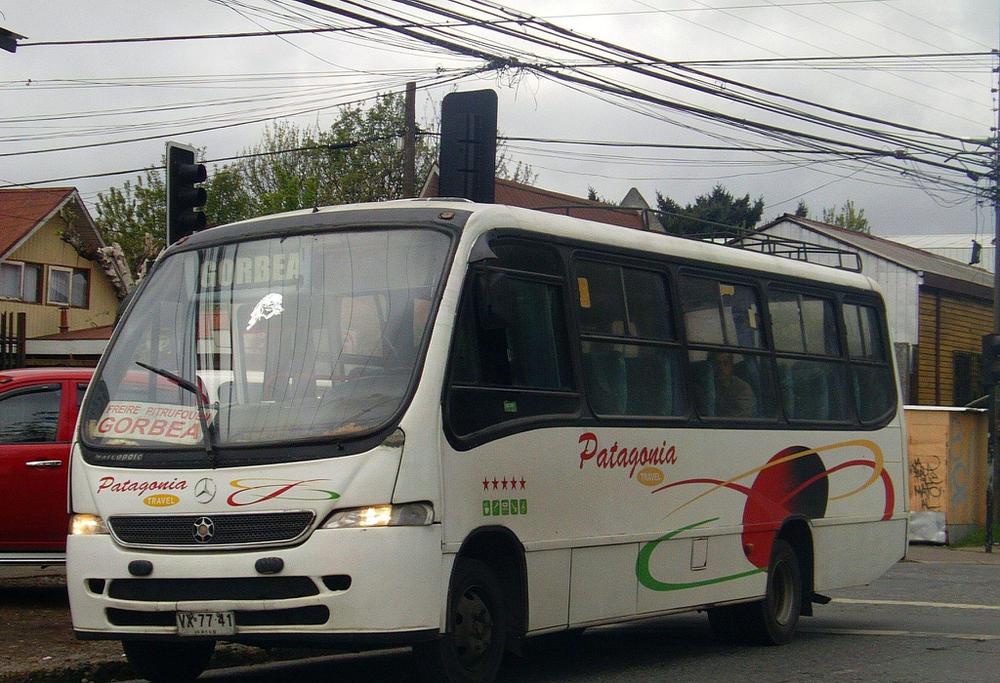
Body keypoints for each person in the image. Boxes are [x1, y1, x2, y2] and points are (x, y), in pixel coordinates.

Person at [711, 351, 754, 417]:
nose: (721, 368)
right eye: (717, 364)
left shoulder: (742, 388)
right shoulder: (708, 386)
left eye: (725, 364)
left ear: (731, 366)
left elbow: (741, 417)